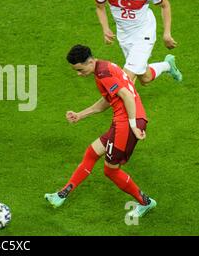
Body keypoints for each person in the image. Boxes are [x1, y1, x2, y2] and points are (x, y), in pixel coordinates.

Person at [45, 44, 156, 218]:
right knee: (91, 153)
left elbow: (126, 95)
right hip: (122, 122)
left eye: (80, 69)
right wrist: (80, 115)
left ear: (90, 61)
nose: (79, 74)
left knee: (111, 170)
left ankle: (146, 202)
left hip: (126, 124)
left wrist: (133, 125)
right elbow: (107, 101)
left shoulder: (103, 73)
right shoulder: (104, 68)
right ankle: (61, 195)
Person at [95, 0, 182, 85]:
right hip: (124, 34)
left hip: (143, 32)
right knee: (145, 78)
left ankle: (122, 105)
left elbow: (165, 5)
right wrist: (105, 28)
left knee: (126, 80)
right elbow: (99, 7)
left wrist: (167, 33)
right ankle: (168, 65)